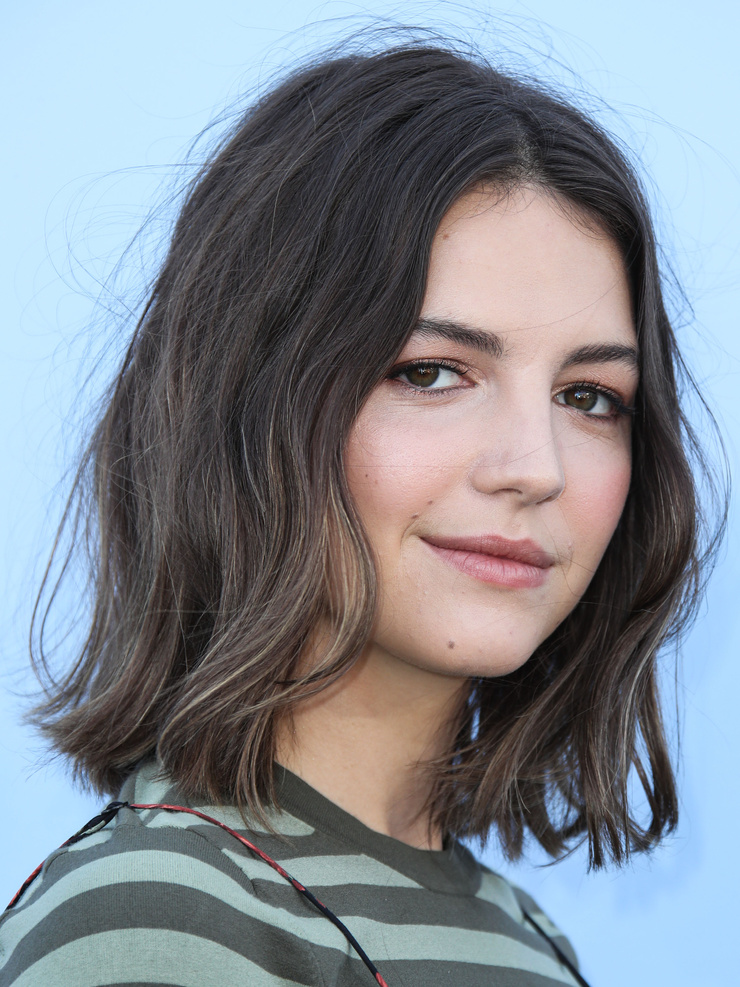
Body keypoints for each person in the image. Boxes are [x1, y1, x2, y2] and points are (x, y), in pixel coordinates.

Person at [0, 37, 721, 987]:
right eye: (430, 373)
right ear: (248, 405)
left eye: (588, 396)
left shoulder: (527, 941)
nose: (535, 468)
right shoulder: (160, 922)